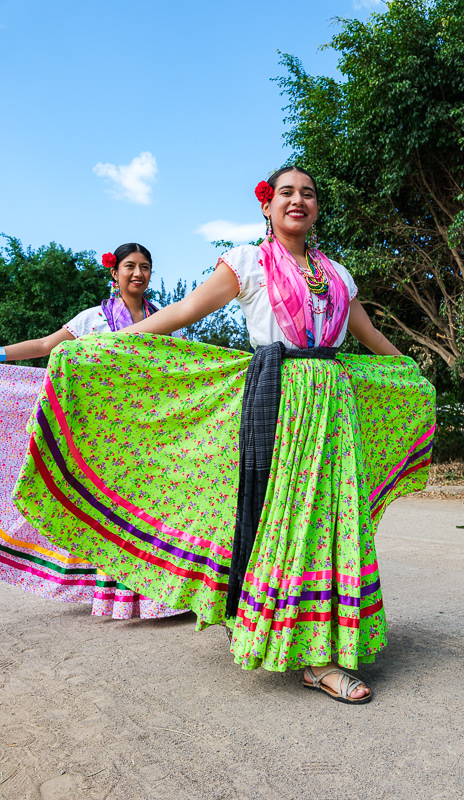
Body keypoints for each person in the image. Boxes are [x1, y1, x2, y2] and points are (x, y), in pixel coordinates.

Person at [13, 169, 435, 703]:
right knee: (282, 517)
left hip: (334, 401)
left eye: (307, 193)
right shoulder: (247, 262)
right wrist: (110, 345)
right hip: (277, 395)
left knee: (332, 522)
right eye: (286, 193)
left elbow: (369, 334)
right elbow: (184, 313)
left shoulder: (336, 274)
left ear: (316, 207)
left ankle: (319, 648)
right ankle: (302, 649)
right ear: (267, 205)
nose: (297, 201)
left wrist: (411, 374)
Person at [0, 243, 186, 619]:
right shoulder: (93, 320)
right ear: (114, 273)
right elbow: (44, 345)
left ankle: (155, 597)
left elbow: (182, 371)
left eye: (145, 267)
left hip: (150, 428)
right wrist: (0, 353)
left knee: (149, 508)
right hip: (103, 431)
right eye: (130, 266)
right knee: (111, 511)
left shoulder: (166, 320)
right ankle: (113, 594)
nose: (138, 273)